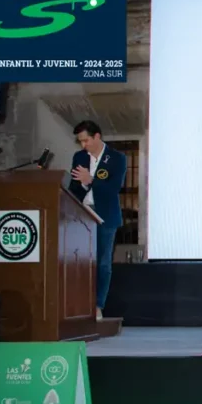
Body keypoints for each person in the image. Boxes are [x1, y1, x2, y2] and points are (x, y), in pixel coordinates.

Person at [67, 120, 126, 320]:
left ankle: (97, 305)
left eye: (86, 140)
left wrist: (91, 180)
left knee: (102, 263)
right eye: (80, 141)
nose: (83, 145)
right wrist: (83, 184)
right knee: (79, 261)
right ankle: (78, 304)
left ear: (97, 136)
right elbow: (74, 188)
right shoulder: (79, 157)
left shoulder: (117, 158)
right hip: (81, 214)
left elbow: (114, 189)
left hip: (105, 216)